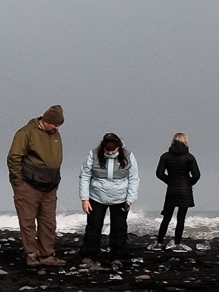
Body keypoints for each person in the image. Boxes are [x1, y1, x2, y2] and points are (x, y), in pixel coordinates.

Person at [7, 106, 67, 266]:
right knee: (27, 222)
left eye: (59, 125)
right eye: (55, 124)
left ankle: (47, 255)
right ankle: (32, 254)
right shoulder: (25, 133)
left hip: (50, 186)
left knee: (49, 223)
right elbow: (14, 157)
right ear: (46, 121)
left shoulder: (55, 134)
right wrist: (18, 182)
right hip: (28, 185)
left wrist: (55, 180)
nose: (57, 127)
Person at [77, 131, 139, 264]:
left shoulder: (128, 156)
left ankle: (117, 256)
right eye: (107, 151)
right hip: (96, 197)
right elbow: (85, 176)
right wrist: (84, 199)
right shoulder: (93, 154)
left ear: (118, 147)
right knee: (93, 226)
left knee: (119, 228)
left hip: (120, 198)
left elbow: (134, 178)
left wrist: (130, 199)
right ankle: (89, 254)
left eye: (113, 150)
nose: (110, 153)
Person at [154, 134, 200, 251]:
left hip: (172, 189)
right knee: (181, 218)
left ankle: (159, 243)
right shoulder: (189, 157)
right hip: (185, 191)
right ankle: (177, 243)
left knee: (167, 217)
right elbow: (196, 175)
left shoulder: (165, 156)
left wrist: (169, 181)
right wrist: (189, 183)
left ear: (173, 141)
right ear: (185, 142)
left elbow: (159, 173)